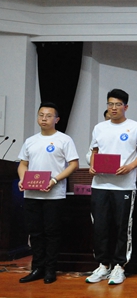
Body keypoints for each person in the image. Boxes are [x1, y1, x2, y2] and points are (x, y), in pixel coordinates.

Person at [86, 88, 137, 285]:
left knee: (122, 227)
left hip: (124, 187)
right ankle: (103, 265)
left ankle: (119, 266)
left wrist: (130, 167)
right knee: (100, 226)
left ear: (125, 107)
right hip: (100, 184)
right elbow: (94, 151)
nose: (113, 108)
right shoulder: (100, 127)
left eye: (118, 104)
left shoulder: (136, 127)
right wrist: (92, 166)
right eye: (110, 104)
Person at [16, 102, 79, 284]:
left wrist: (54, 180)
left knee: (52, 233)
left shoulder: (64, 140)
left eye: (49, 116)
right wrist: (22, 179)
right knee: (35, 233)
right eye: (41, 115)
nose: (44, 119)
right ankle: (37, 268)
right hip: (31, 194)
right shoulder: (30, 141)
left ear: (57, 119)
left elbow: (74, 165)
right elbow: (23, 164)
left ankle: (50, 269)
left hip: (54, 195)